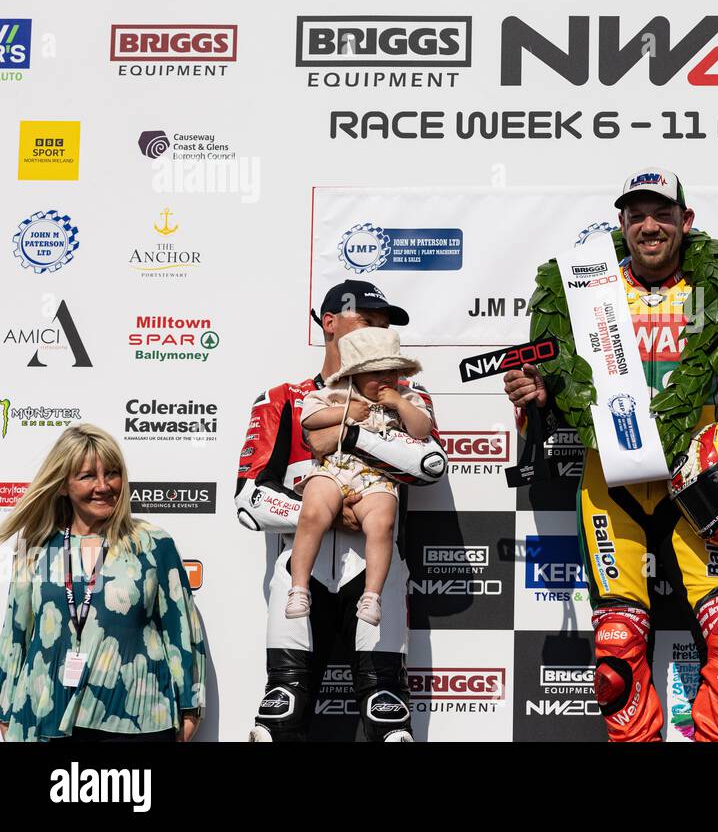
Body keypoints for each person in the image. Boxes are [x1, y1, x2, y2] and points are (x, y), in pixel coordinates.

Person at [504, 168, 718, 742]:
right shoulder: (580, 287)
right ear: (621, 224)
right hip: (609, 480)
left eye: (663, 214)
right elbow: (542, 387)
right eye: (637, 215)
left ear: (685, 221)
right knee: (614, 668)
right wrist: (536, 394)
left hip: (698, 480)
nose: (650, 226)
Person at [235, 280, 448, 742]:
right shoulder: (285, 399)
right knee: (277, 718)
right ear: (329, 324)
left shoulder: (408, 396)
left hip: (376, 577)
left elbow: (431, 466)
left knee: (388, 719)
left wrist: (354, 434)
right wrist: (329, 514)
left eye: (384, 324)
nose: (379, 329)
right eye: (367, 320)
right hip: (298, 577)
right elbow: (249, 500)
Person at [0, 424, 205, 742]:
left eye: (112, 473)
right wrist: (5, 707)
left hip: (135, 717)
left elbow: (181, 630)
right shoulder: (36, 546)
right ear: (63, 485)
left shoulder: (152, 544)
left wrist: (190, 708)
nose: (103, 486)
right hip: (45, 712)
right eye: (87, 476)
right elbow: (15, 636)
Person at [291, 327, 433, 627]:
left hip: (377, 477)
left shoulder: (408, 396)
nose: (385, 379)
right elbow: (308, 418)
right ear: (353, 374)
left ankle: (371, 596)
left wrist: (400, 404)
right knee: (313, 511)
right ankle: (299, 587)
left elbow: (422, 431)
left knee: (383, 523)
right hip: (335, 469)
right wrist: (345, 412)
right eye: (374, 372)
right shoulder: (334, 392)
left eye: (391, 371)